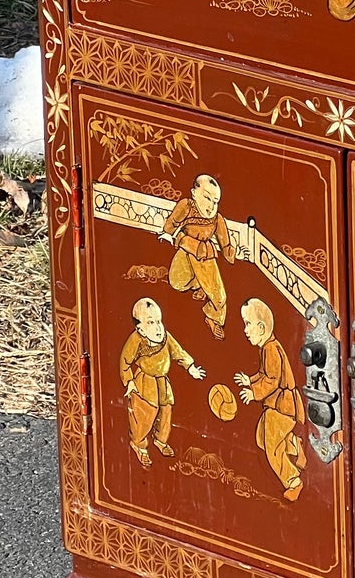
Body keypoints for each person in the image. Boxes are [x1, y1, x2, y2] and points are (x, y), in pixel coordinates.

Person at [235, 298, 306, 502]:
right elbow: (265, 374)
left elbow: (272, 380)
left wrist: (254, 392)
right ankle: (294, 445)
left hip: (282, 407)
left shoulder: (270, 349)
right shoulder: (267, 347)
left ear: (261, 327)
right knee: (261, 437)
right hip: (277, 406)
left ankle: (293, 481)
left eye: (248, 324)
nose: (245, 330)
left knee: (272, 447)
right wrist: (250, 380)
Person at [120, 297, 204, 469]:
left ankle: (160, 440)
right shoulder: (136, 340)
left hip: (162, 381)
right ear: (141, 329)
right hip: (145, 381)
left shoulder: (165, 336)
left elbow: (177, 351)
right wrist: (129, 381)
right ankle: (139, 444)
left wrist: (190, 367)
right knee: (147, 413)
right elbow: (125, 361)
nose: (157, 326)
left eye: (158, 321)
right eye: (150, 322)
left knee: (166, 409)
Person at [161, 172, 235, 339]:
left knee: (219, 295)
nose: (211, 205)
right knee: (176, 281)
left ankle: (212, 318)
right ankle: (198, 286)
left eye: (215, 202)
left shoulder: (217, 219)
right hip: (186, 247)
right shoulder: (186, 206)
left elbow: (225, 245)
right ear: (194, 193)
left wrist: (232, 254)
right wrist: (167, 233)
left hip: (204, 254)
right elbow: (172, 222)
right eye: (207, 198)